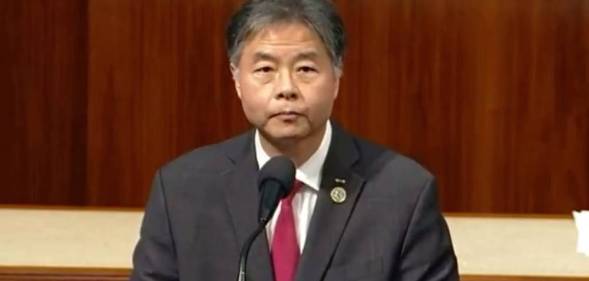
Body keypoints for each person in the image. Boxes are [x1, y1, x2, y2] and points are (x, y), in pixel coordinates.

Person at [130, 0, 458, 280]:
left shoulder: (404, 193)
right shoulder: (180, 191)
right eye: (265, 70)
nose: (286, 88)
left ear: (337, 77)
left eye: (305, 69)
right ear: (236, 79)